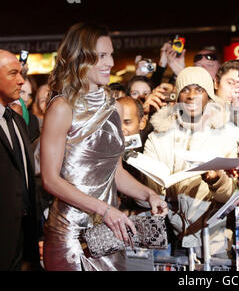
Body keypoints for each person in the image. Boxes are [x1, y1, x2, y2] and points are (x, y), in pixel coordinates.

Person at [40, 22, 168, 271]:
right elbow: (50, 179)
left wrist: (149, 195)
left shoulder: (114, 107)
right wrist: (105, 209)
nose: (110, 62)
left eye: (110, 54)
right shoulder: (62, 108)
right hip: (71, 235)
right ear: (80, 58)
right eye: (101, 56)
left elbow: (115, 172)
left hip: (108, 233)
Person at [143, 66, 239, 260]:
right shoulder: (158, 137)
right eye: (185, 89)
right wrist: (155, 187)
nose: (192, 96)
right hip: (171, 240)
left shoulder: (228, 135)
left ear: (209, 95)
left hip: (216, 240)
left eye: (199, 89)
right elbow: (144, 197)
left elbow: (234, 196)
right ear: (177, 96)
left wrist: (217, 180)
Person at [0, 49, 41, 270]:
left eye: (21, 73)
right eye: (13, 73)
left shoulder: (16, 120)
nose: (21, 80)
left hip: (23, 236)